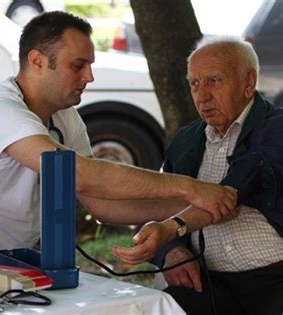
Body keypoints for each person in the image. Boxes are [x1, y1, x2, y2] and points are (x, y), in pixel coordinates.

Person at [0, 11, 237, 262]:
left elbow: (103, 203)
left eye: (90, 65)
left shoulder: (66, 116)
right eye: (78, 66)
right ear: (37, 61)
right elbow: (83, 177)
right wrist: (190, 187)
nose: (89, 77)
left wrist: (192, 206)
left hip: (5, 268)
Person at [112, 37, 283, 314]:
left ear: (248, 82)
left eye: (214, 81)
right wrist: (172, 250)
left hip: (275, 280)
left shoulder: (276, 128)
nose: (201, 96)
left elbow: (236, 189)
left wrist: (171, 229)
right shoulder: (187, 141)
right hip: (210, 283)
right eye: (194, 83)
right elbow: (155, 203)